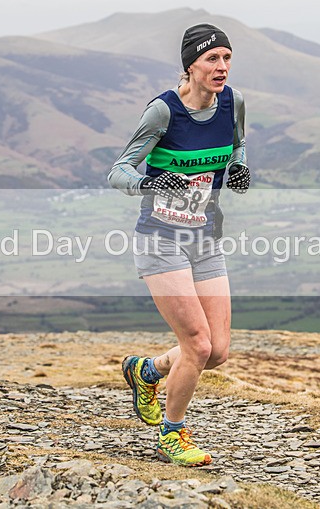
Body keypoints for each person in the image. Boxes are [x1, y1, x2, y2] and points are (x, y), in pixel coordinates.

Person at [107, 23, 250, 466]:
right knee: (198, 345)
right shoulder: (164, 112)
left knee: (218, 351)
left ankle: (145, 371)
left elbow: (237, 146)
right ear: (191, 65)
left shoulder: (233, 102)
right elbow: (118, 171)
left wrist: (240, 168)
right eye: (212, 59)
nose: (222, 67)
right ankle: (172, 433)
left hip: (204, 238)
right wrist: (153, 180)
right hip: (160, 240)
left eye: (226, 58)